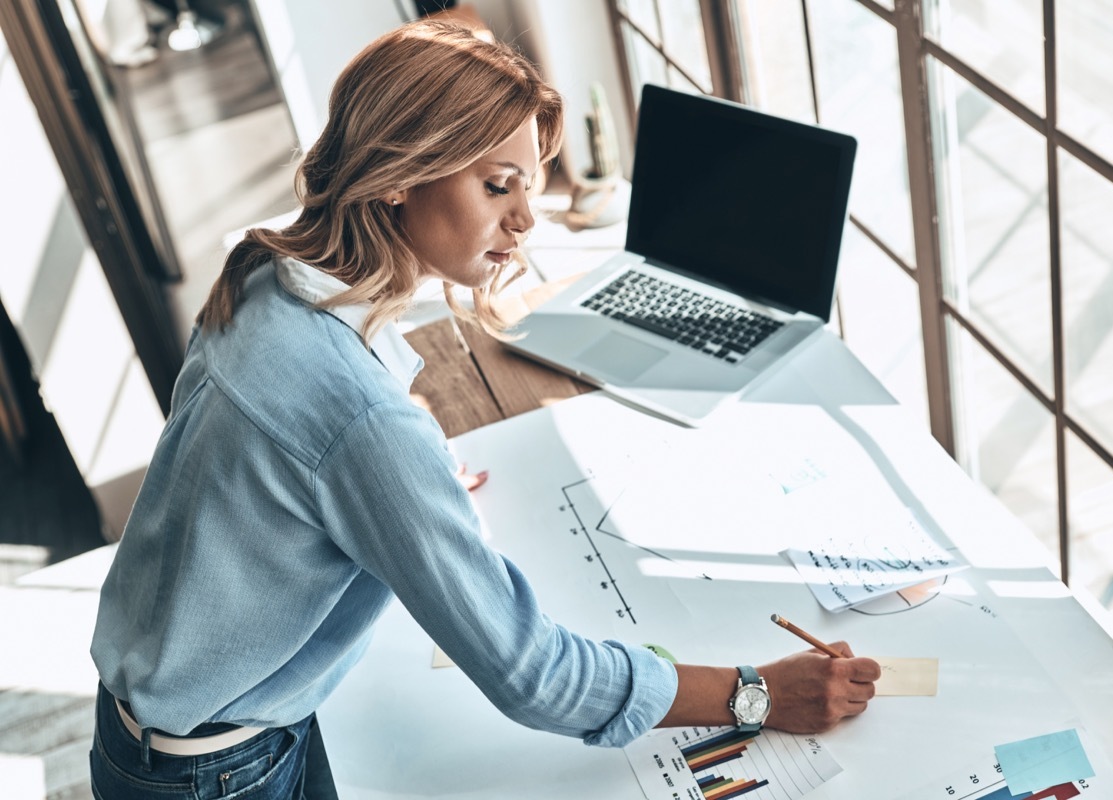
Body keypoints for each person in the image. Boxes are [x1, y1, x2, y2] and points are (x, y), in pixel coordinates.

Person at [88, 19, 881, 799]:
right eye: (495, 185)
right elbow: (533, 676)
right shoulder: (362, 424)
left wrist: (395, 489)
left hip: (144, 729)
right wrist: (758, 695)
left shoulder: (264, 270)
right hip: (220, 770)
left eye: (528, 186)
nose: (525, 220)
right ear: (398, 172)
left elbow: (257, 464)